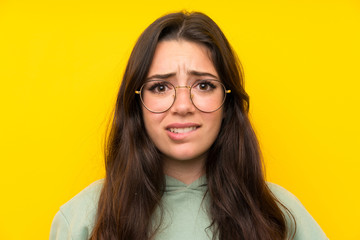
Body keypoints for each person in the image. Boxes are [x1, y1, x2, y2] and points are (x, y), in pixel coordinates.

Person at [50, 11, 328, 240]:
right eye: (160, 87)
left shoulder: (279, 214)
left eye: (204, 85)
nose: (183, 106)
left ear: (227, 101)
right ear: (137, 102)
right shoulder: (81, 218)